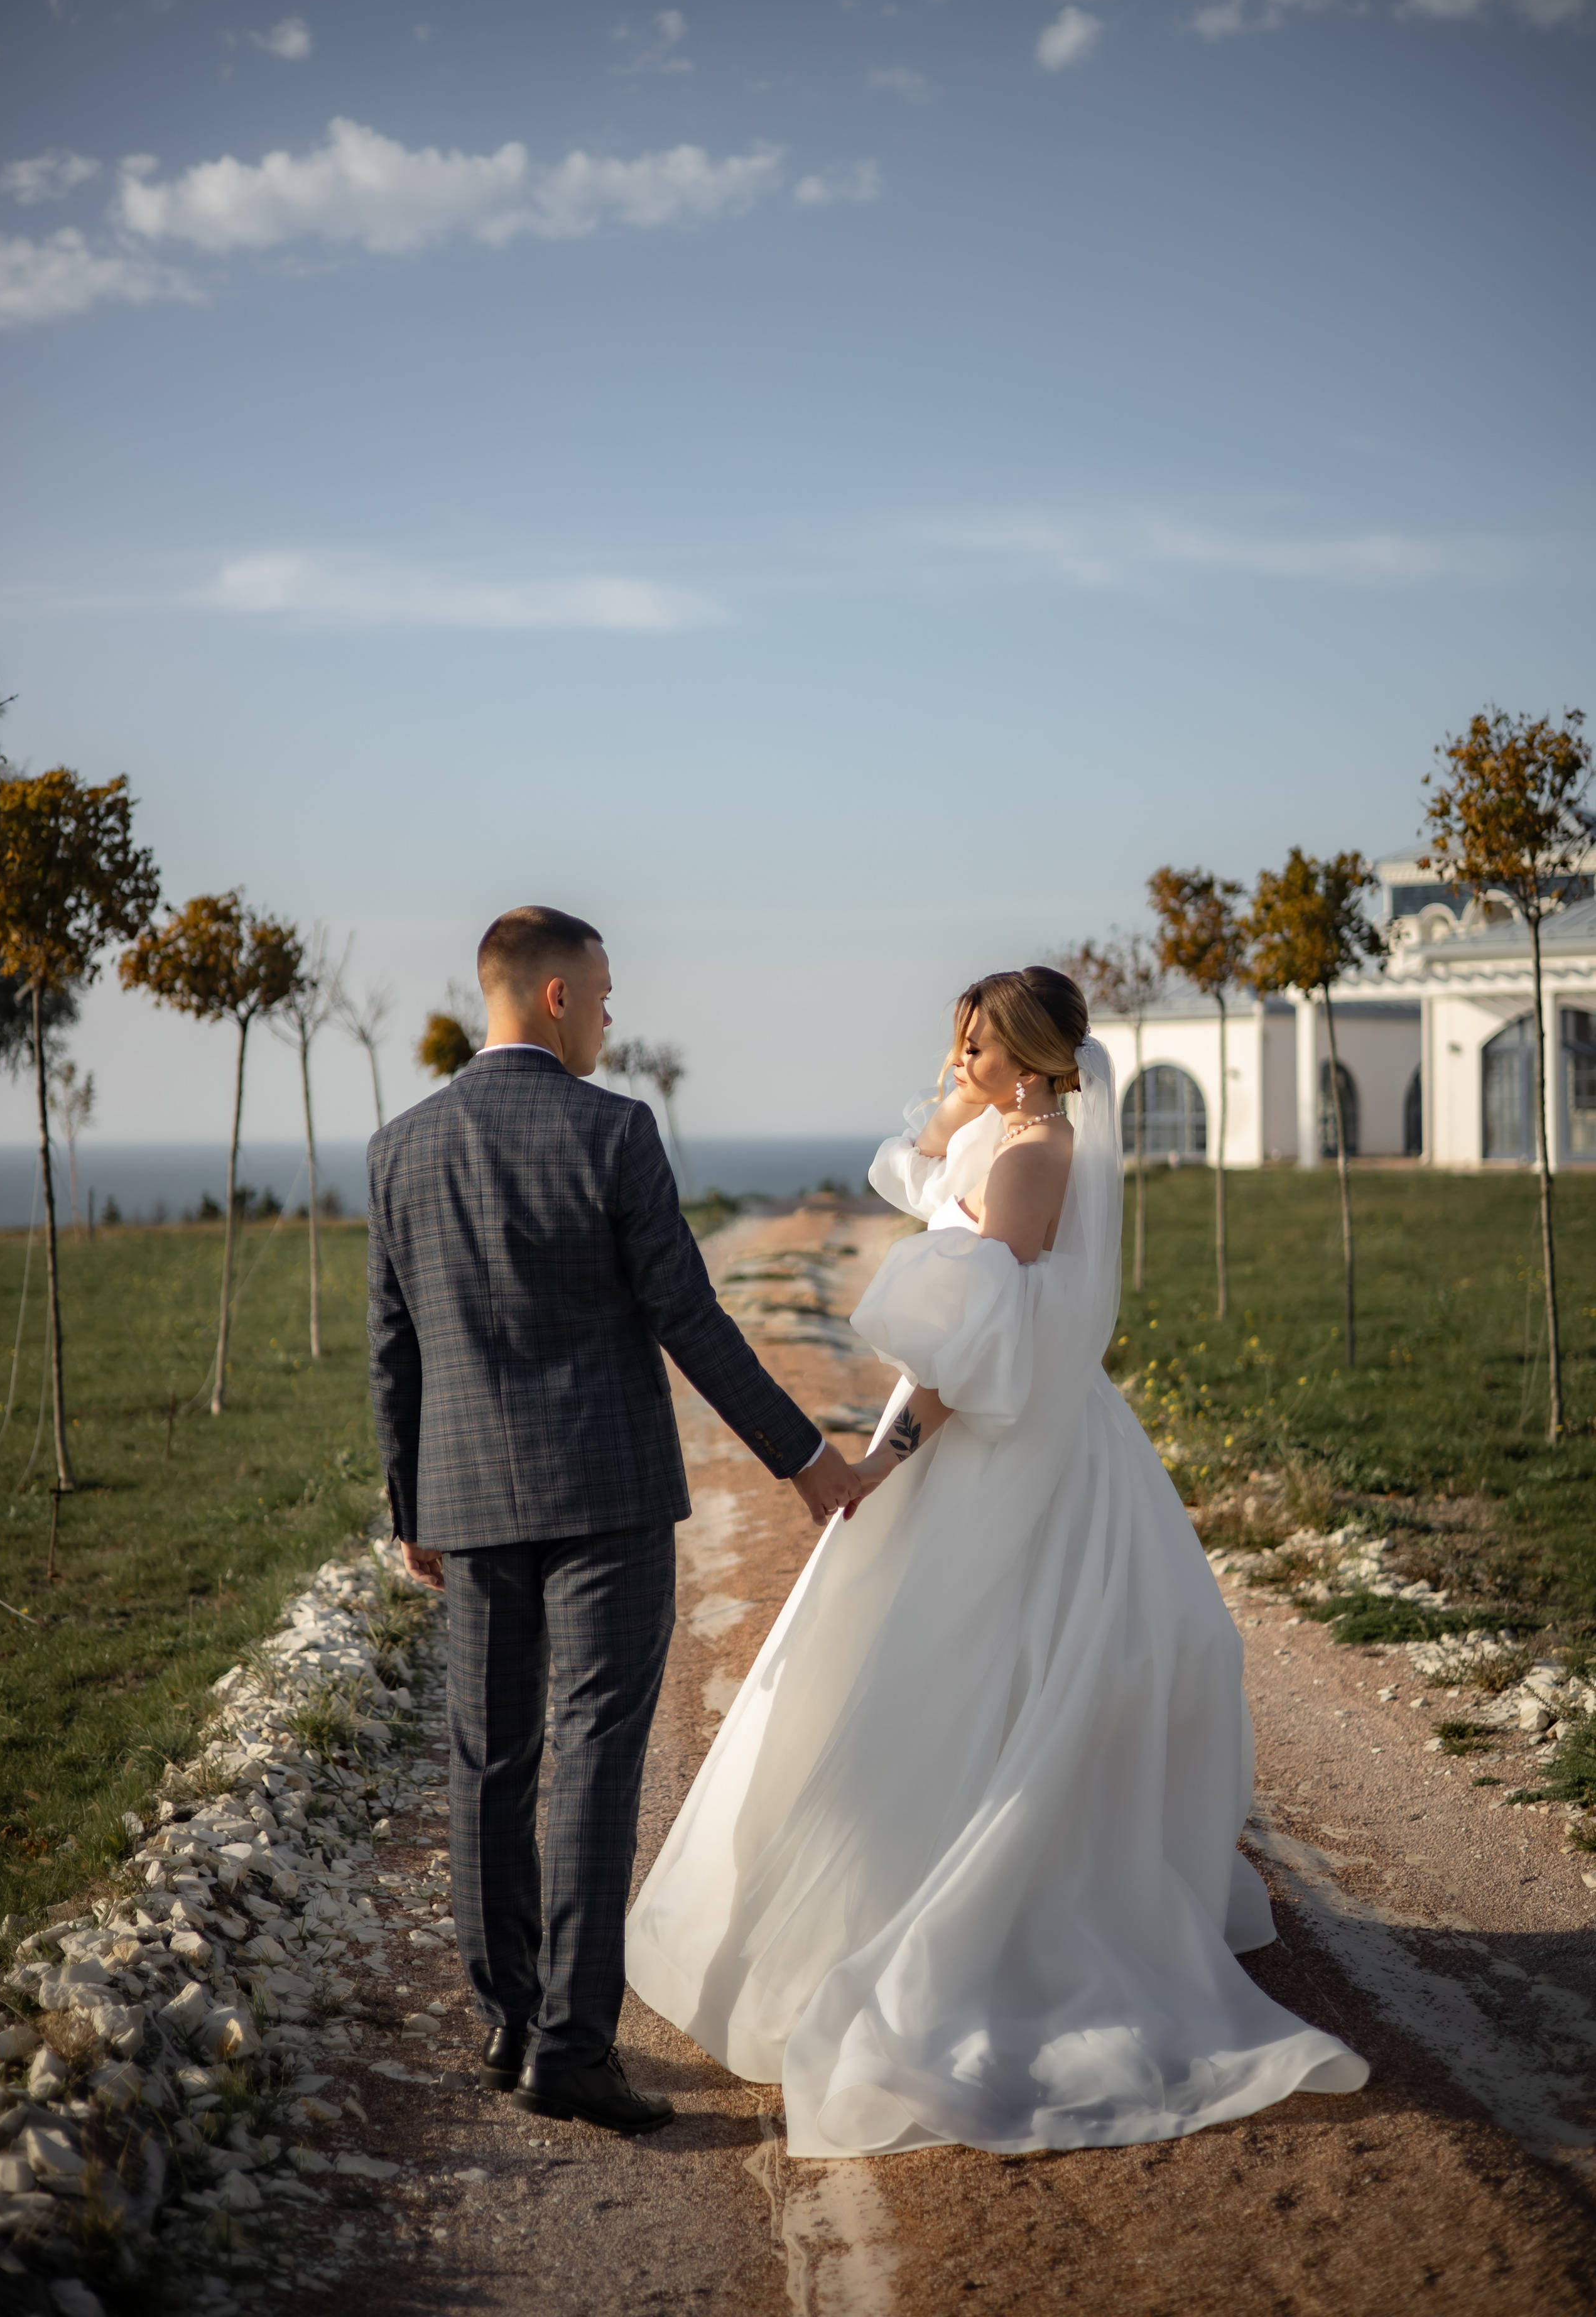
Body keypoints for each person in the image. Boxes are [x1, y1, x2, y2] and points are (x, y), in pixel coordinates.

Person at [627, 964, 1369, 2157]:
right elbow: (918, 1166)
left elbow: (978, 1347)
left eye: (974, 1046)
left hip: (999, 1440)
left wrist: (886, 1458)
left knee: (972, 1665)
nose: (955, 1062)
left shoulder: (1034, 1158)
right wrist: (958, 1101)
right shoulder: (1006, 1133)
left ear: (1027, 1061)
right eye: (959, 1042)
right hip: (1016, 1415)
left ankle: (1002, 1910)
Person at [367, 905, 865, 2137]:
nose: (608, 1014)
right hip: (608, 1499)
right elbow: (687, 1314)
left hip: (469, 1500)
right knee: (592, 1754)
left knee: (490, 1760)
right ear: (552, 998)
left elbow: (394, 1349)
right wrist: (806, 1460)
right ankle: (573, 2051)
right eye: (600, 994)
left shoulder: (397, 1148)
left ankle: (507, 2022)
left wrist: (410, 1505)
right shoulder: (614, 1130)